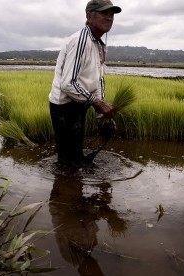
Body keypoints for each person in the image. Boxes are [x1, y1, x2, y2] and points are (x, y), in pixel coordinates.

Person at [49, 0, 121, 166]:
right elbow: (68, 84)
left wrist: (102, 105)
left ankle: (71, 186)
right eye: (104, 13)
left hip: (80, 104)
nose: (109, 18)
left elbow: (98, 78)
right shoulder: (81, 41)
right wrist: (97, 102)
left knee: (76, 156)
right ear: (89, 16)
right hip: (64, 108)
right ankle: (64, 189)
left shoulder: (98, 44)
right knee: (67, 161)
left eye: (111, 14)